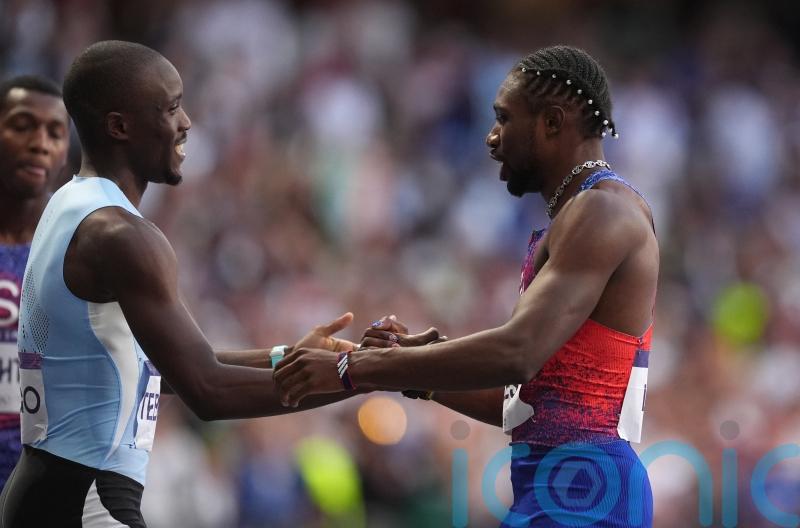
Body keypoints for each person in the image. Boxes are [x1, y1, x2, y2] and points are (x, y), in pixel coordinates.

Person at [275, 45, 659, 527]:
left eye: (503, 118)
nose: (492, 137)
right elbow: (530, 405)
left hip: (585, 492)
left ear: (553, 123)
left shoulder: (601, 212)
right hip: (568, 485)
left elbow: (518, 352)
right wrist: (417, 375)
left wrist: (360, 367)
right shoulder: (582, 215)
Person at [0, 40, 376, 528]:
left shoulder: (71, 205)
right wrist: (367, 372)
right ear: (119, 126)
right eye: (173, 106)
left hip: (51, 493)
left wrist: (289, 358)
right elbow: (207, 390)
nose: (187, 122)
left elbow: (158, 365)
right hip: (85, 503)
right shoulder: (122, 235)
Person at [0, 75, 70, 489]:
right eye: (23, 125)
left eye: (55, 132)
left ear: (65, 153)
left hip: (43, 490)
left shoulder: (83, 251)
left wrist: (278, 360)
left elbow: (156, 362)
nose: (40, 143)